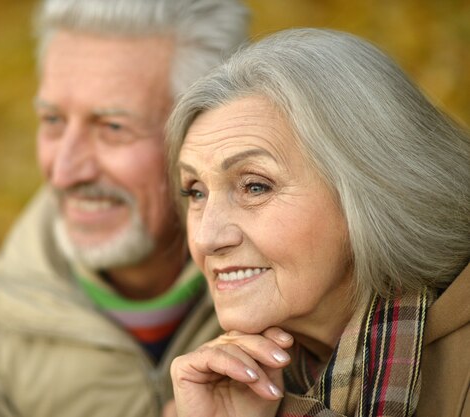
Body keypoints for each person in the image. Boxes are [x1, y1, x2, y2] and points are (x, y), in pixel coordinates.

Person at [0, 1, 250, 416]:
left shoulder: (298, 297)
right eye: (52, 121)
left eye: (113, 127)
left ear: (208, 128)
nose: (63, 172)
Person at [165, 28, 470, 417]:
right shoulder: (208, 388)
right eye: (195, 192)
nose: (207, 238)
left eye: (255, 187)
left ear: (372, 190)